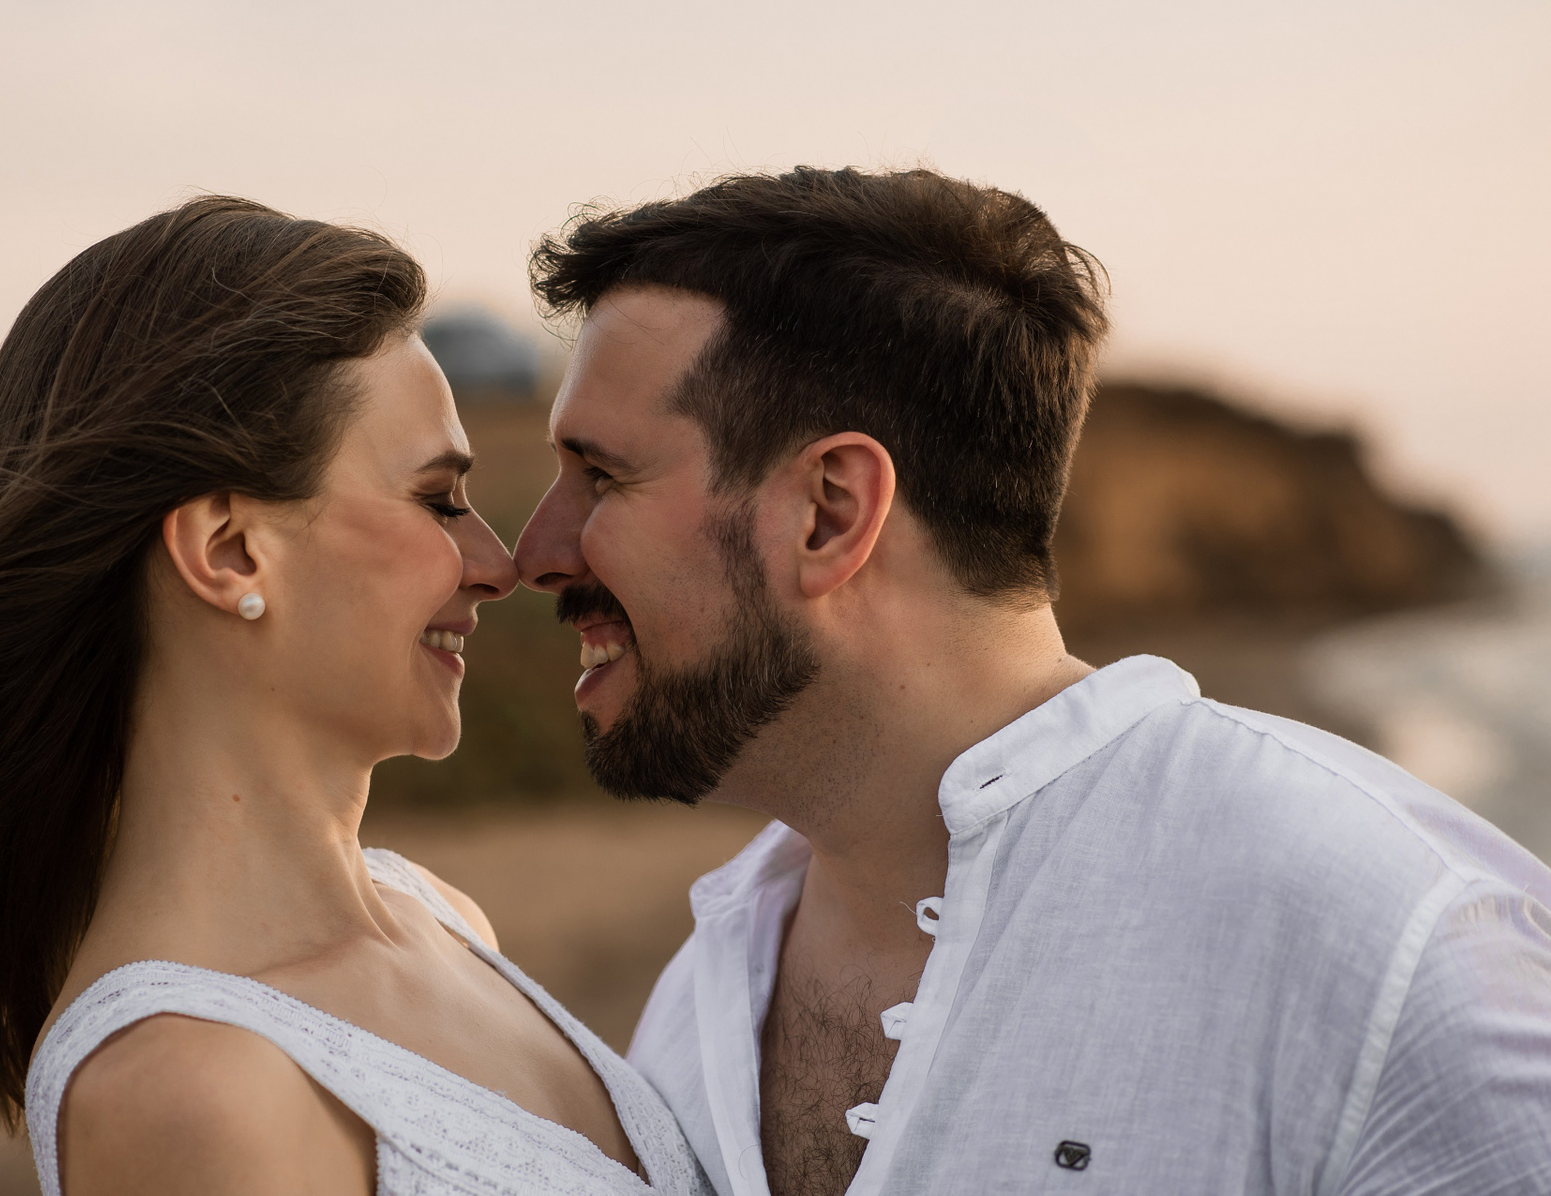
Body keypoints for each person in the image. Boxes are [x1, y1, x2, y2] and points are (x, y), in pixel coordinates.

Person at [512, 166, 1551, 1195]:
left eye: (602, 476)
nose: (533, 554)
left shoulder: (1393, 943)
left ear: (830, 511)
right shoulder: (697, 999)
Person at [0, 197, 709, 1196]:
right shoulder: (188, 1093)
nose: (498, 565)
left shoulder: (440, 919)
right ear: (229, 551)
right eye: (436, 500)